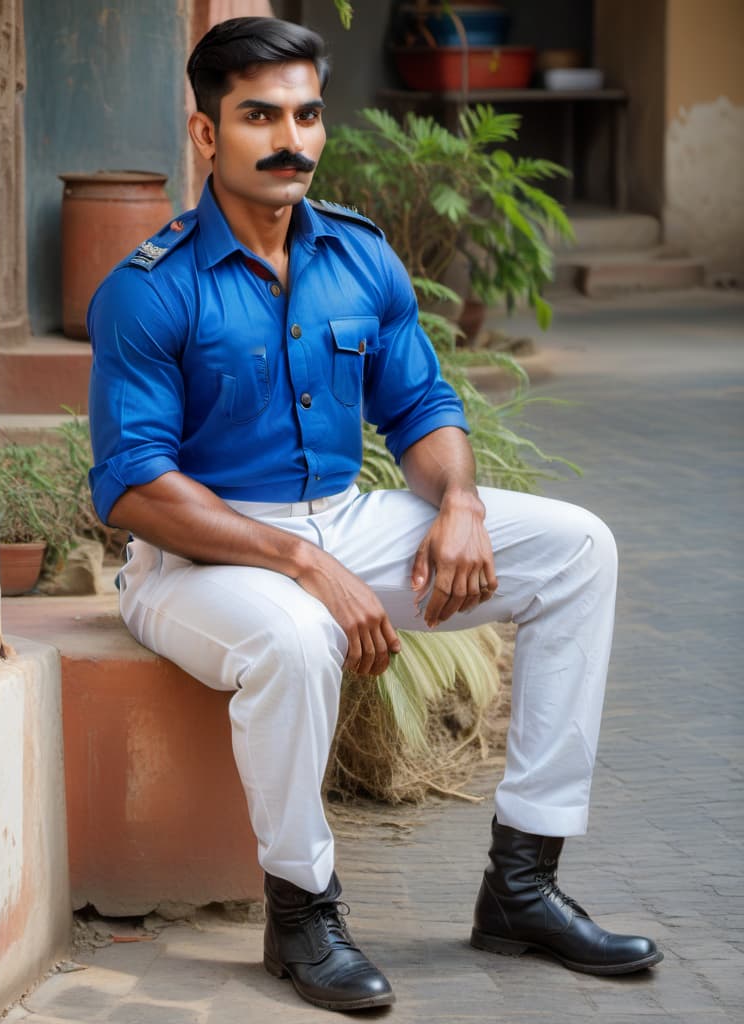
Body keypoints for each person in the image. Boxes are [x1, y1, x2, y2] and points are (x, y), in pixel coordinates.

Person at [87, 16, 663, 1013]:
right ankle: (303, 909)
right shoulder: (149, 290)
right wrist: (304, 565)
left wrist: (462, 502)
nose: (291, 138)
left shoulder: (359, 256)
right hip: (197, 561)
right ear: (205, 133)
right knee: (298, 633)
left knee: (579, 548)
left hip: (344, 518)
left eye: (307, 113)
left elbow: (424, 406)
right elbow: (136, 486)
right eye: (260, 114)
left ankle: (522, 885)